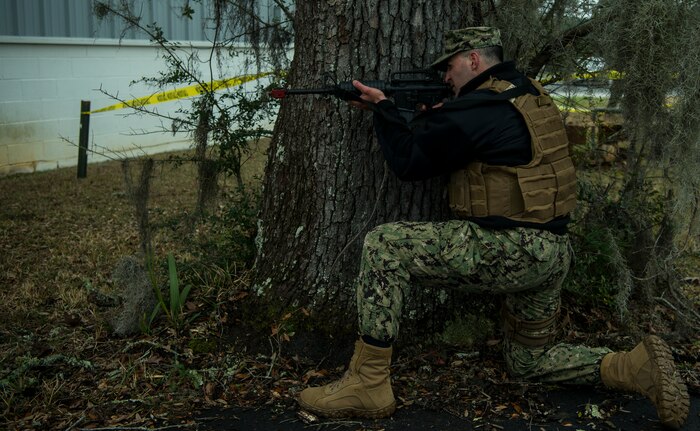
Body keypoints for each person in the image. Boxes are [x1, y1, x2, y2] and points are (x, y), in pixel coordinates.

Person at [296, 27, 689, 429]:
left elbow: (409, 163)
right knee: (528, 363)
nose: (445, 79)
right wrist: (429, 119)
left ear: (473, 59)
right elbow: (477, 138)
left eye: (448, 67)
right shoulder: (523, 91)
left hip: (512, 249)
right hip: (551, 253)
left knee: (385, 245)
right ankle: (633, 367)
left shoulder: (478, 107)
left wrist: (383, 111)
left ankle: (368, 383)